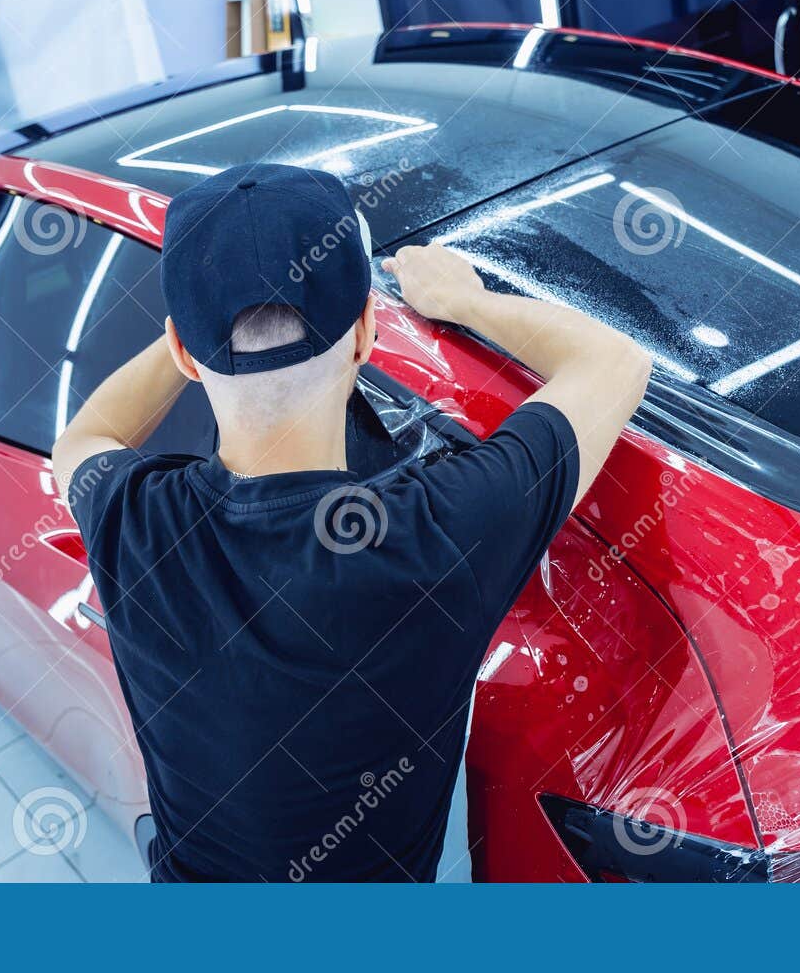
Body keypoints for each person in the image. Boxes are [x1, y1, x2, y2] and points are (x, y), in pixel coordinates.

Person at [53, 162, 651, 881]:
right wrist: (469, 301)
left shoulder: (134, 518)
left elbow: (85, 439)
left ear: (183, 351)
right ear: (367, 332)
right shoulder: (443, 530)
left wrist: (205, 325)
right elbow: (613, 362)